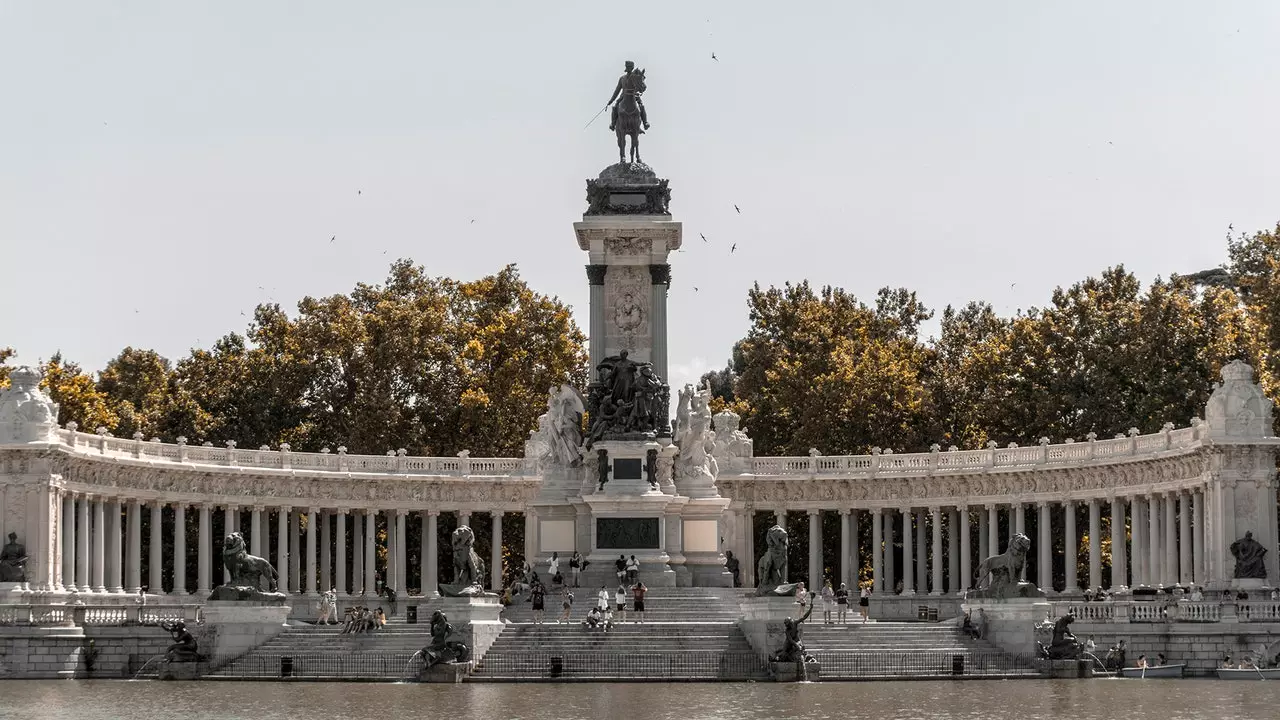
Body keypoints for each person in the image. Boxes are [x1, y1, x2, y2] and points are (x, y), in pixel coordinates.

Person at [607, 60, 650, 132]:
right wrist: (611, 100)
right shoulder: (622, 78)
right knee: (615, 106)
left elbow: (640, 84)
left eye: (631, 67)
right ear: (626, 67)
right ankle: (613, 124)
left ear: (632, 67)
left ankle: (645, 122)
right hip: (623, 96)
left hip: (634, 95)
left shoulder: (636, 76)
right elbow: (617, 90)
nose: (629, 68)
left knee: (641, 105)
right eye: (628, 67)